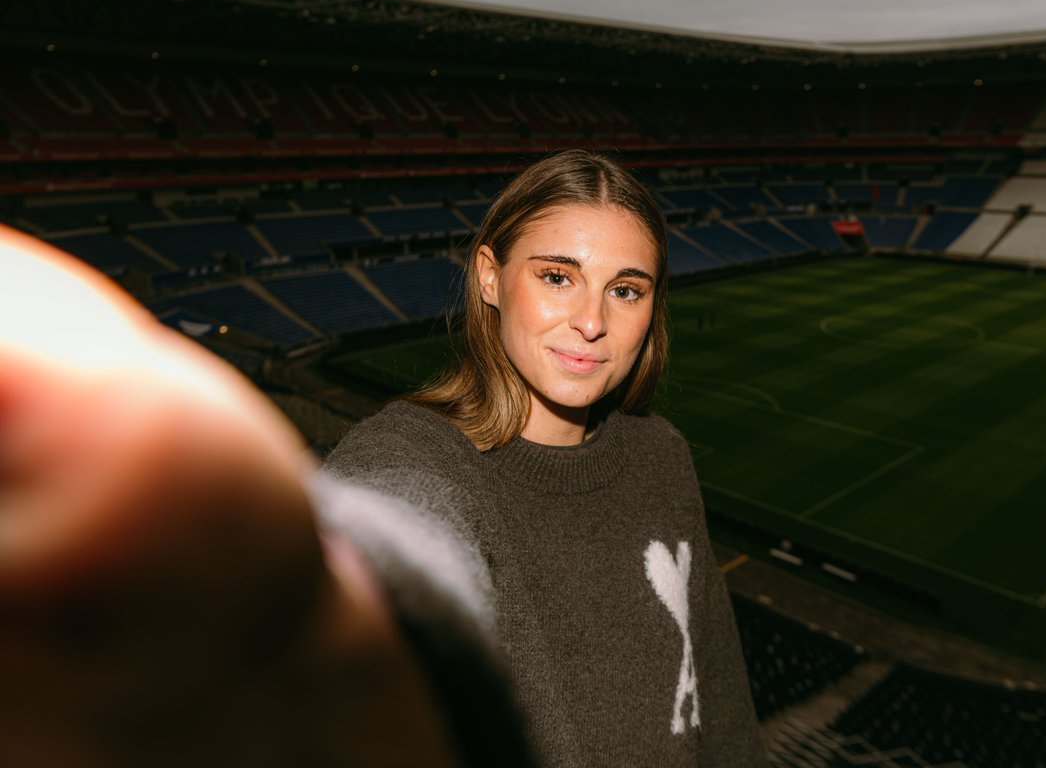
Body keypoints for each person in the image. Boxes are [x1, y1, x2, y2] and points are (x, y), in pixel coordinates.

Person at [0, 150, 765, 767]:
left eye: (625, 290)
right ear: (491, 278)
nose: (591, 321)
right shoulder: (411, 462)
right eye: (558, 276)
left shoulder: (661, 456)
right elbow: (399, 536)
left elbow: (723, 713)